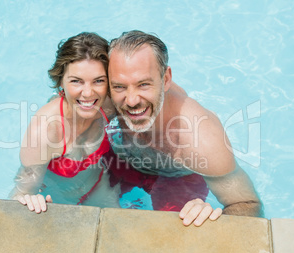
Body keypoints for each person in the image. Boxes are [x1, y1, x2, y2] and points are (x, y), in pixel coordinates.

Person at [105, 30, 263, 226]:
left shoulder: (201, 139)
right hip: (123, 159)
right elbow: (61, 113)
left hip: (175, 179)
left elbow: (247, 203)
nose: (131, 100)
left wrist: (213, 218)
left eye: (143, 84)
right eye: (119, 87)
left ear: (166, 80)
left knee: (174, 230)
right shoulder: (106, 97)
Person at [9, 32, 119, 213]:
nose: (88, 93)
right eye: (76, 81)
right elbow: (20, 193)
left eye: (98, 81)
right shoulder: (45, 133)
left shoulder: (108, 105)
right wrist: (30, 202)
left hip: (100, 186)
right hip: (60, 199)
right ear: (61, 81)